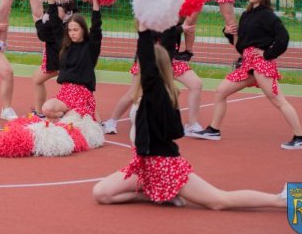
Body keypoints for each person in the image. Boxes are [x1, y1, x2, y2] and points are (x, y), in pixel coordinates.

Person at [92, 22, 287, 210]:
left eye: (143, 62)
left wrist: (143, 30)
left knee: (219, 200)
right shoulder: (150, 92)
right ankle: (157, 193)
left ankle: (281, 199)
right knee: (102, 193)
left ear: (153, 68)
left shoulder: (157, 93)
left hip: (165, 165)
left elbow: (151, 53)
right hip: (142, 164)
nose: (139, 65)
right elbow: (174, 130)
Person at [191, 0, 302, 149]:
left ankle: (299, 137)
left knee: (278, 100)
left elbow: (283, 38)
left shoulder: (268, 16)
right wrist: (228, 33)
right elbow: (241, 44)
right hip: (247, 64)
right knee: (220, 91)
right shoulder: (246, 14)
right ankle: (214, 130)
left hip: (260, 64)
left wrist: (267, 54)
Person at [101, 20, 203, 136]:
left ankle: (192, 125)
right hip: (149, 57)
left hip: (168, 58)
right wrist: (180, 29)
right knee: (134, 93)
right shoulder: (152, 14)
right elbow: (154, 33)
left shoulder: (173, 12)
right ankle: (111, 122)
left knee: (196, 84)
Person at [41, 0, 101, 120]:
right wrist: (51, 2)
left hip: (82, 94)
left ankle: (86, 114)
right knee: (46, 109)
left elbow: (96, 27)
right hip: (65, 93)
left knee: (71, 122)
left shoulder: (91, 47)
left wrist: (95, 2)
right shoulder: (64, 45)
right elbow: (55, 24)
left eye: (76, 30)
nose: (72, 33)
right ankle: (65, 115)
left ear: (83, 30)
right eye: (70, 30)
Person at [31, 0, 77, 117]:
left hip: (61, 63)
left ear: (67, 12)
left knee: (76, 91)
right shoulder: (61, 22)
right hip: (57, 61)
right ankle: (40, 111)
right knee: (37, 79)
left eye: (58, 8)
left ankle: (41, 112)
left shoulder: (64, 26)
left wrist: (38, 22)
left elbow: (43, 33)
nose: (54, 11)